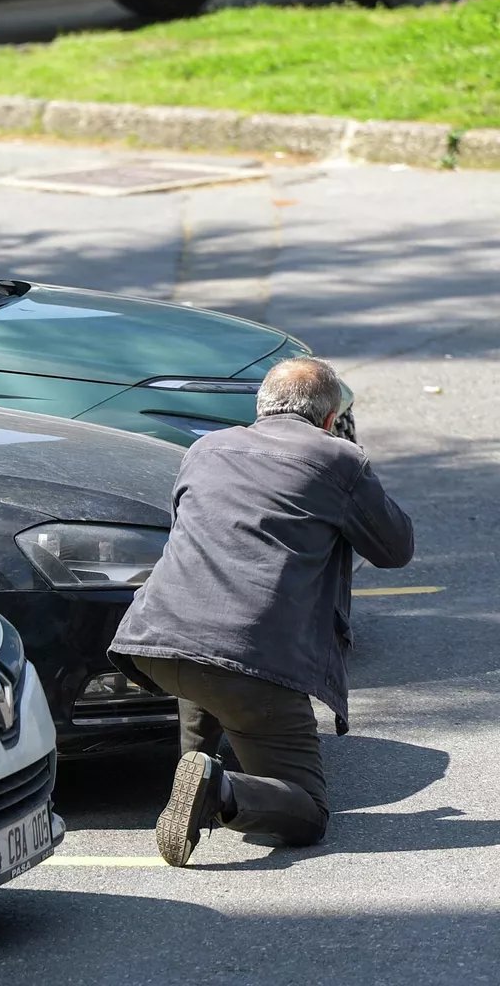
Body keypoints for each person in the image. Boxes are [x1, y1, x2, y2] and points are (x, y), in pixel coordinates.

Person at [109, 357, 414, 867]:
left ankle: (196, 773)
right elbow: (395, 547)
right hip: (253, 657)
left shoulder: (206, 448)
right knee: (308, 813)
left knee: (206, 665)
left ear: (261, 406)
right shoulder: (338, 460)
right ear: (328, 417)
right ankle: (220, 791)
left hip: (157, 637)